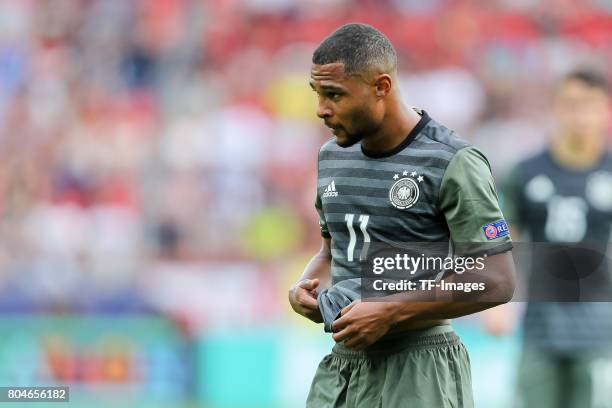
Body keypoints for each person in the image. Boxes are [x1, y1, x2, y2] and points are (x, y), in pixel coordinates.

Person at [288, 23, 516, 407]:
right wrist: (306, 288)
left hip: (420, 367)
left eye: (334, 95)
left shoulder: (452, 160)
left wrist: (390, 311)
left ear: (381, 87)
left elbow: (497, 278)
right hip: (343, 368)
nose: (321, 110)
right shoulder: (331, 156)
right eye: (317, 93)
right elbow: (331, 252)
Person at [489, 69, 612, 408]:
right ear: (556, 109)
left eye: (589, 105)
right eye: (571, 105)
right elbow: (501, 232)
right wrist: (496, 298)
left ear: (606, 111)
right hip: (541, 328)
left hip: (601, 331)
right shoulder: (526, 172)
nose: (580, 115)